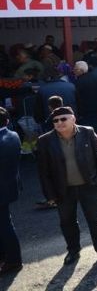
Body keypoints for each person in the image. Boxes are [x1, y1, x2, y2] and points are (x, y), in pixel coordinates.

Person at [36, 107, 97, 267]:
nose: (59, 123)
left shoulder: (87, 132)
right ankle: (73, 250)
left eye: (63, 119)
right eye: (55, 121)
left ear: (73, 119)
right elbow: (43, 171)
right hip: (63, 190)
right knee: (67, 221)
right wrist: (50, 195)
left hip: (88, 186)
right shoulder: (45, 140)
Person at [0, 107, 22, 274]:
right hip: (9, 186)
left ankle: (13, 260)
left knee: (5, 225)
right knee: (5, 223)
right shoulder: (13, 135)